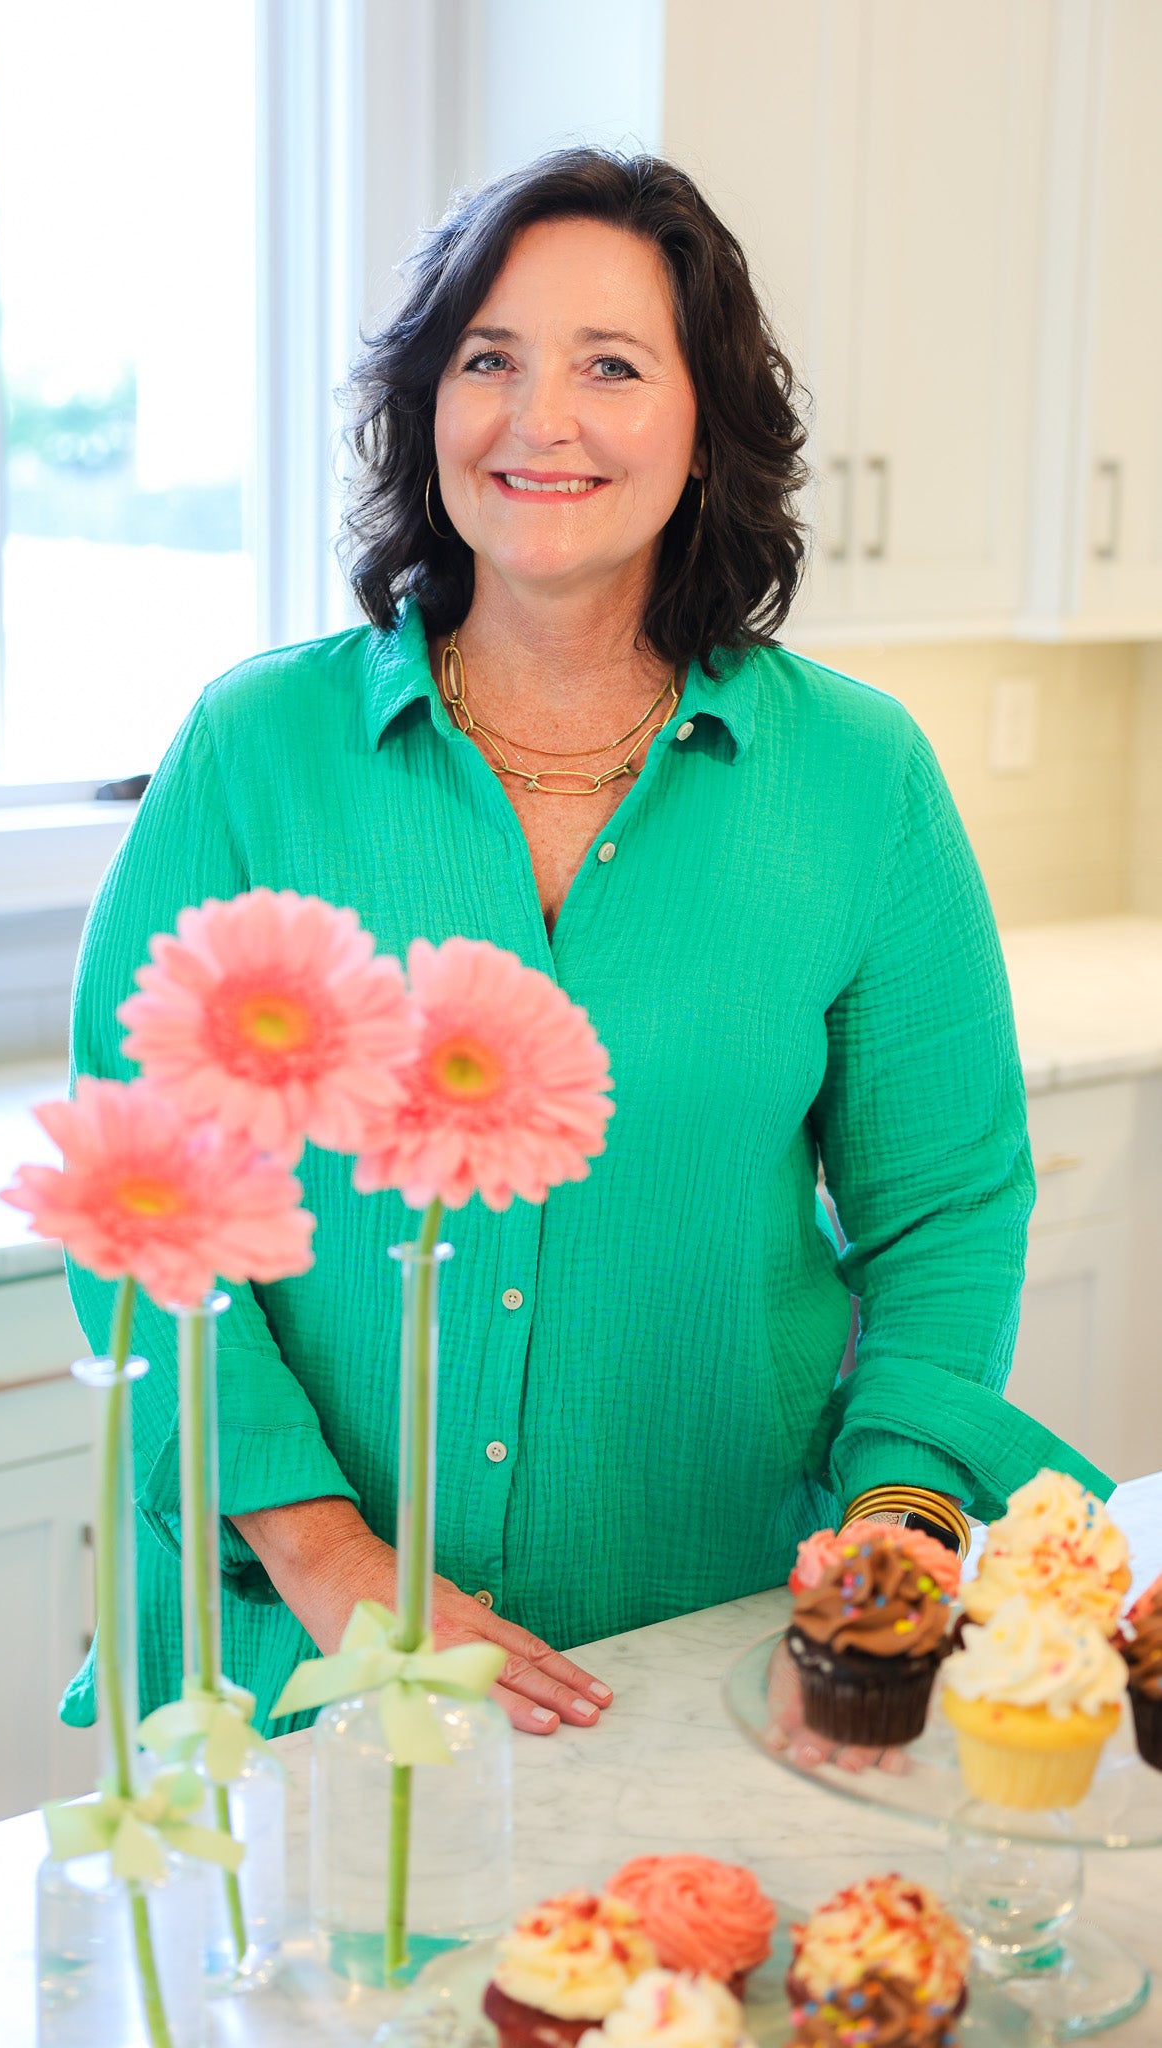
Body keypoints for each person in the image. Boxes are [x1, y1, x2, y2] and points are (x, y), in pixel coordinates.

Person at [62, 150, 1107, 1746]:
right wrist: (324, 1551)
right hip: (302, 1664)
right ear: (428, 407)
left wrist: (896, 1528)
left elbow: (944, 1209)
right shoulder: (256, 749)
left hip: (699, 1658)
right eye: (487, 360)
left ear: (704, 431)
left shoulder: (858, 780)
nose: (537, 419)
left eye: (610, 366)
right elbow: (137, 1193)